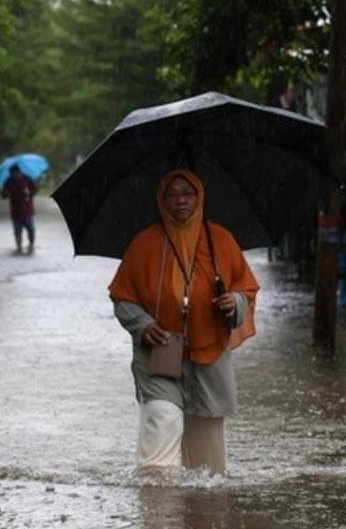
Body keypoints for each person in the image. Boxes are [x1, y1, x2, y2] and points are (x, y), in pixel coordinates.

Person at [108, 169, 260, 475]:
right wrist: (143, 325)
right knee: (161, 420)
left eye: (187, 193)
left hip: (210, 353)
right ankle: (156, 509)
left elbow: (247, 289)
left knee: (208, 463)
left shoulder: (221, 240)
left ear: (200, 197)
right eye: (172, 194)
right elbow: (122, 296)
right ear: (161, 200)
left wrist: (235, 302)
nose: (180, 201)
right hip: (161, 350)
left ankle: (201, 515)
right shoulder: (145, 243)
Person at [0, 163, 38, 254]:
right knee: (17, 231)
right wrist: (6, 193)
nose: (14, 176)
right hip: (15, 211)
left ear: (19, 172)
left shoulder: (28, 179)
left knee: (31, 229)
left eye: (15, 174)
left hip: (28, 210)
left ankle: (31, 245)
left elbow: (35, 190)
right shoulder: (8, 181)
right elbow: (3, 195)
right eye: (12, 175)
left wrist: (29, 192)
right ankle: (19, 248)